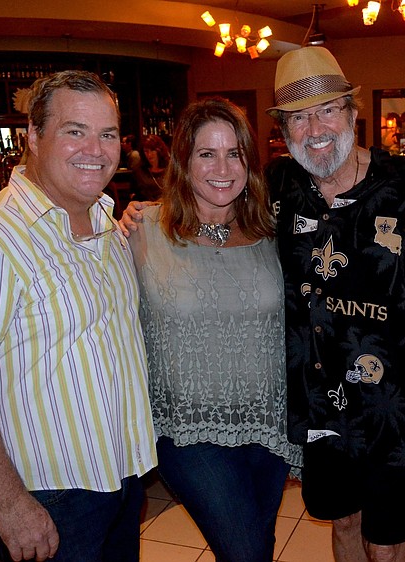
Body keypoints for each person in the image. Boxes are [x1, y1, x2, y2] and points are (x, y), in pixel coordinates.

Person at [123, 46, 405, 562]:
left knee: (387, 542)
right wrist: (146, 214)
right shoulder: (282, 189)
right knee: (342, 524)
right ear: (283, 132)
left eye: (328, 110)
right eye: (299, 118)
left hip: (396, 406)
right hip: (319, 404)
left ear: (353, 113)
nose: (315, 129)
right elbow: (213, 196)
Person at [0, 70, 156, 562]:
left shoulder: (105, 221)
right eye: (74, 131)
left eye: (107, 134)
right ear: (34, 137)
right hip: (48, 499)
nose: (95, 148)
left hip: (121, 478)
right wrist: (10, 504)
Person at [127, 97, 302, 562]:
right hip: (187, 431)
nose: (222, 168)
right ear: (183, 161)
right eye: (207, 153)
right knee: (246, 551)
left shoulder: (272, 232)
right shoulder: (141, 229)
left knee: (255, 546)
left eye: (235, 153)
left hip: (268, 425)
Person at [130, 133, 169, 201]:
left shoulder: (170, 169)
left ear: (159, 150)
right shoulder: (138, 172)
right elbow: (133, 194)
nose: (149, 154)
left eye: (152, 150)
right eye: (146, 151)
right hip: (146, 208)